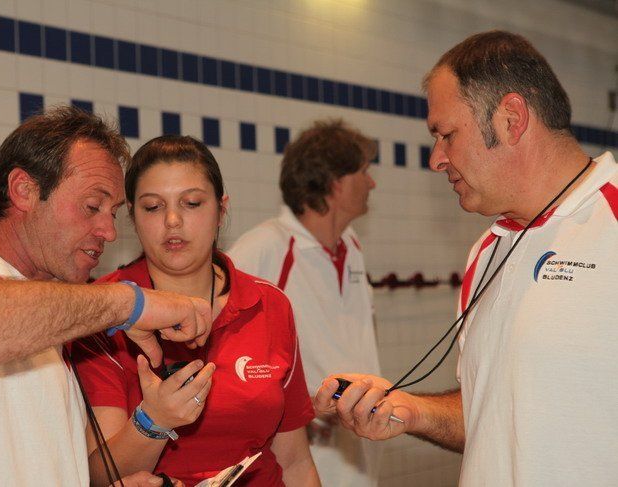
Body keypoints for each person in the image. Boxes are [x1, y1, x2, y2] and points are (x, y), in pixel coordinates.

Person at [314, 30, 618, 486]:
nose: (437, 159)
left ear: (511, 119)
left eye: (447, 135)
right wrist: (411, 410)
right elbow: (492, 411)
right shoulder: (487, 250)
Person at [0, 106, 211, 486]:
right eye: (92, 206)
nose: (108, 232)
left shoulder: (47, 319)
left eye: (112, 213)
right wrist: (130, 303)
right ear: (24, 190)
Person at [72, 135, 320, 487]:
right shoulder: (103, 311)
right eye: (153, 207)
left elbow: (295, 461)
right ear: (132, 217)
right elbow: (99, 476)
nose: (173, 220)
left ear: (221, 210)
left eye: (191, 203)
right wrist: (153, 421)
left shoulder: (268, 304)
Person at [228, 119, 382, 486]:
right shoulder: (264, 248)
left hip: (359, 450)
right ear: (335, 183)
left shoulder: (351, 245)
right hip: (302, 457)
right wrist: (293, 412)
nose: (372, 183)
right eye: (364, 171)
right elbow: (219, 348)